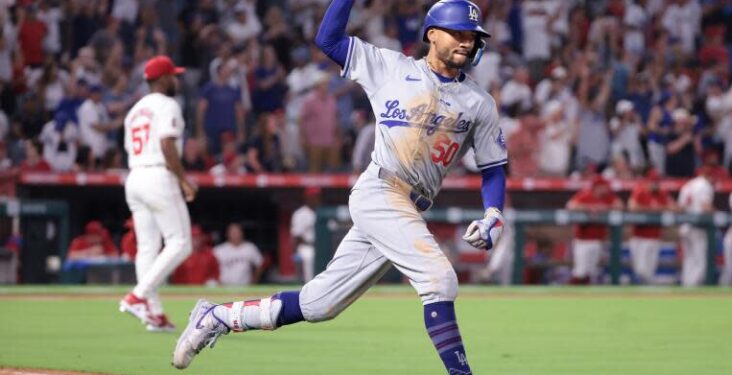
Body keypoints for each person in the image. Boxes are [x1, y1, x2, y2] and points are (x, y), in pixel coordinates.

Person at [173, 2, 508, 374]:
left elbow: (493, 166)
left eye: (472, 36)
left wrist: (494, 213)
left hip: (409, 208)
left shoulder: (479, 102)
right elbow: (328, 39)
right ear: (432, 34)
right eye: (458, 33)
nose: (467, 42)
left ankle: (217, 317)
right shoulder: (390, 67)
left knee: (318, 304)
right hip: (381, 190)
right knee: (439, 280)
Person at [119, 56, 197, 332]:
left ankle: (153, 313)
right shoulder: (168, 104)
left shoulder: (134, 111)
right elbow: (166, 145)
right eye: (173, 76)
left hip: (135, 176)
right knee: (180, 242)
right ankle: (138, 296)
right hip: (157, 175)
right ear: (163, 79)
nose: (176, 80)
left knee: (148, 247)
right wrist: (184, 180)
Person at [566, 176, 623, 284]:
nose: (605, 189)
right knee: (580, 270)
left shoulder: (608, 197)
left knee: (591, 271)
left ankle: (584, 297)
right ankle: (570, 293)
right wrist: (588, 208)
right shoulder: (585, 195)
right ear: (596, 187)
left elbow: (619, 205)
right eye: (603, 186)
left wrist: (603, 209)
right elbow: (570, 206)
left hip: (598, 240)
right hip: (583, 240)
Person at [627, 170, 676, 284]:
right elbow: (632, 207)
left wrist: (657, 209)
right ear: (647, 182)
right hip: (639, 237)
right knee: (640, 270)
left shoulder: (662, 193)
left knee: (649, 271)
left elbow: (674, 207)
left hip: (654, 236)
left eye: (657, 182)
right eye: (652, 182)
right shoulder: (640, 191)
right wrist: (654, 209)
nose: (655, 184)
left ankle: (644, 297)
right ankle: (635, 294)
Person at [677, 167, 715, 287]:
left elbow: (680, 208)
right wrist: (717, 213)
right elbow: (705, 207)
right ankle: (692, 287)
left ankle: (686, 286)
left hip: (685, 226)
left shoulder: (687, 185)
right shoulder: (704, 185)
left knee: (689, 259)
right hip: (697, 227)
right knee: (701, 261)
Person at [291, 187, 320, 283]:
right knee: (309, 256)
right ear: (307, 197)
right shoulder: (300, 213)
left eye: (317, 196)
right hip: (306, 247)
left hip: (321, 247)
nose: (315, 198)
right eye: (312, 196)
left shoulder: (321, 211)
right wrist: (295, 254)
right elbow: (296, 236)